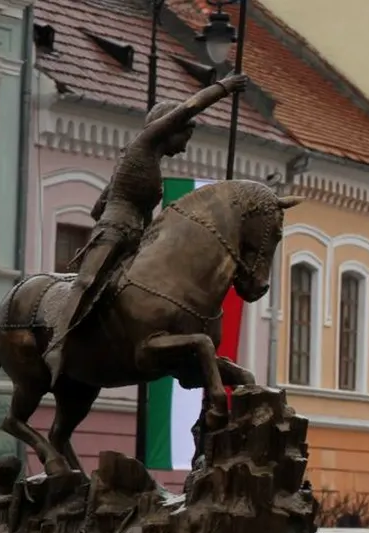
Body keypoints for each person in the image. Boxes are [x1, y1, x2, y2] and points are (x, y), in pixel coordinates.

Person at [47, 73, 250, 364]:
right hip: (114, 231)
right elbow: (189, 107)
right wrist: (224, 88)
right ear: (169, 128)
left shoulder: (147, 161)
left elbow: (97, 205)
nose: (184, 147)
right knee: (87, 281)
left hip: (135, 237)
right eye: (184, 138)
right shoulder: (143, 145)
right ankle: (57, 345)